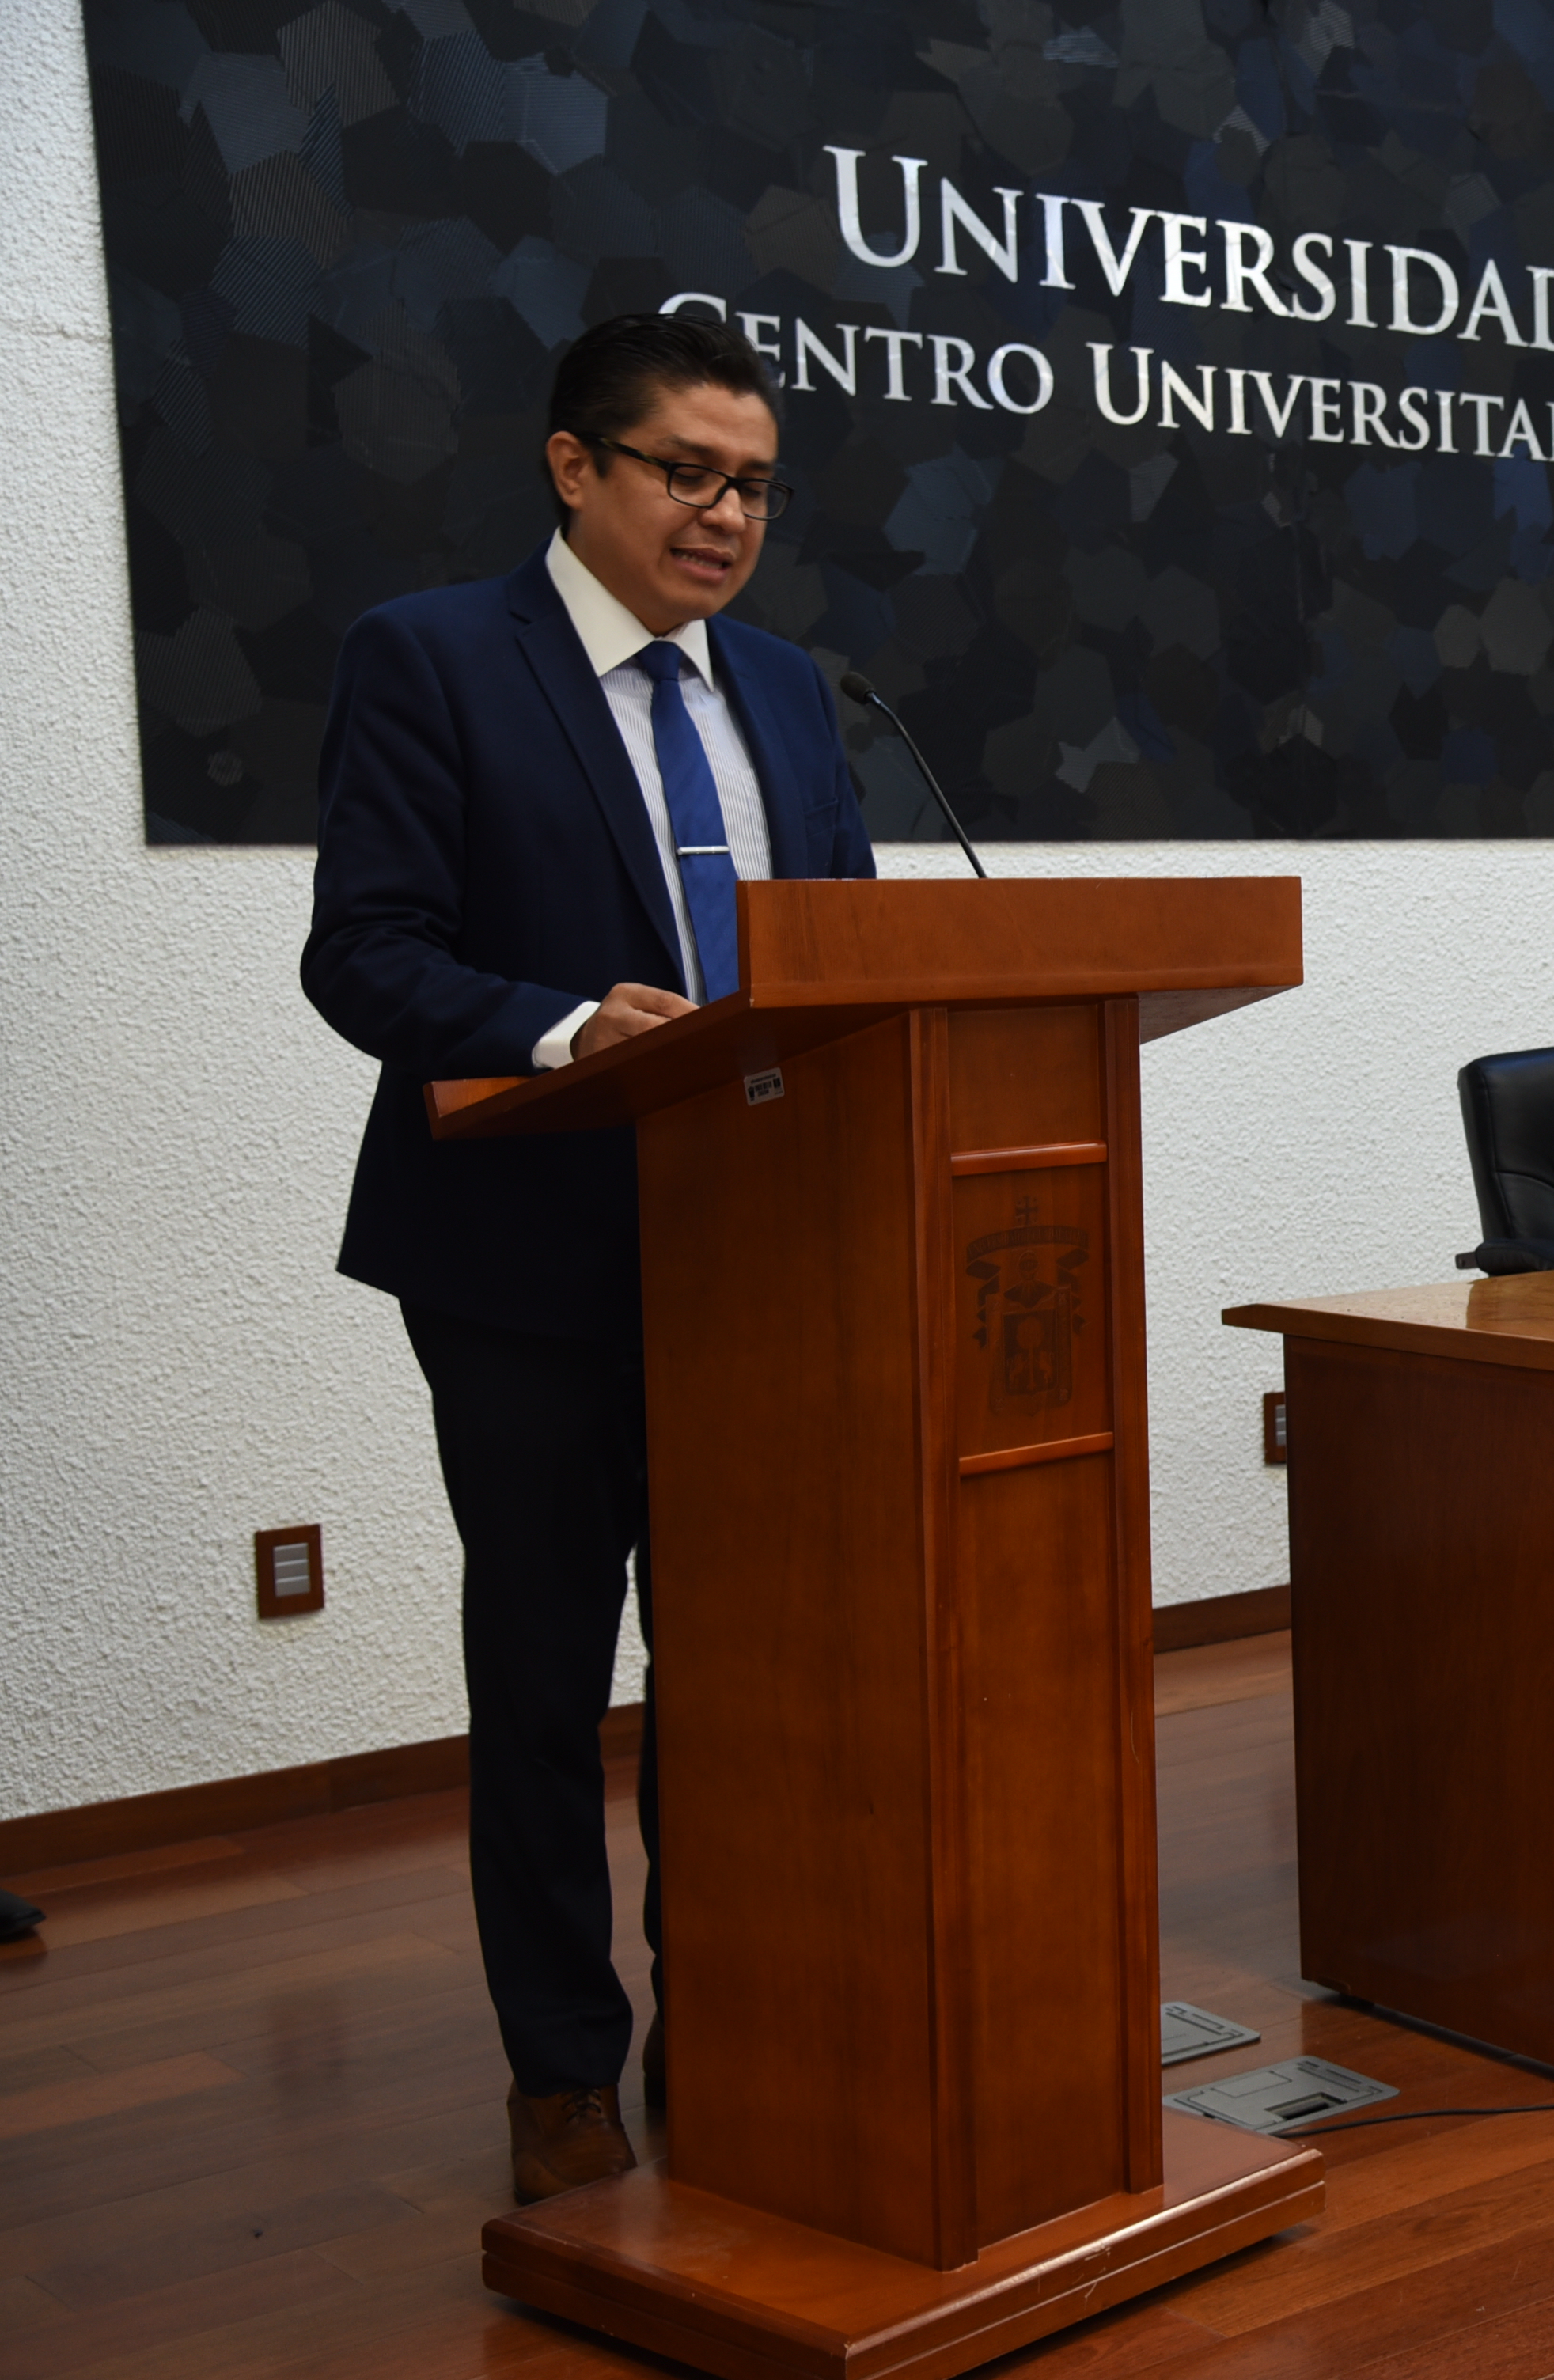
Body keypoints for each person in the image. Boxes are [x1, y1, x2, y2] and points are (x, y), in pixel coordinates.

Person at [298, 313, 877, 2204]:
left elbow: (844, 957)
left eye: (756, 485)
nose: (727, 515)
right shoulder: (435, 658)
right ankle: (563, 2065)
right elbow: (363, 952)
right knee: (545, 1671)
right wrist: (563, 1026)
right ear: (574, 466)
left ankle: (733, 2013)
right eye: (687, 472)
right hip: (529, 1254)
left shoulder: (788, 690)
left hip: (757, 1253)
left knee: (736, 1670)